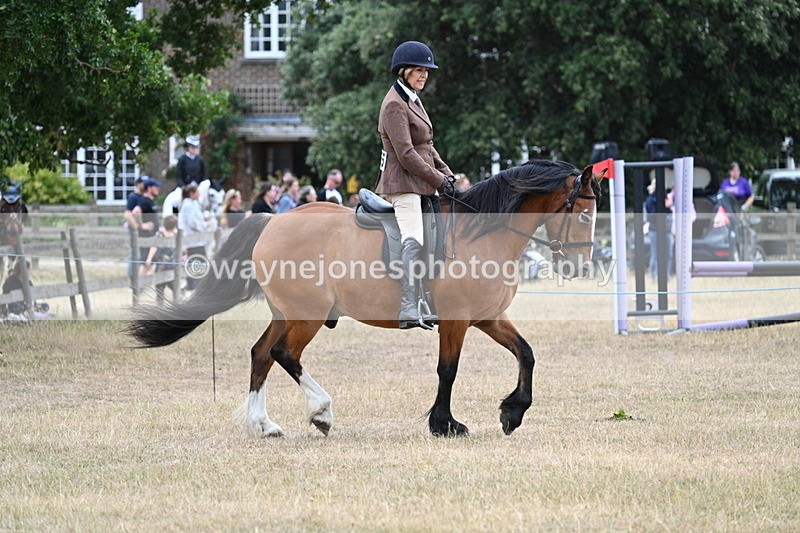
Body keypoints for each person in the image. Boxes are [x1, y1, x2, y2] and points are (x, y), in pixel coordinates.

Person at [376, 40, 456, 329]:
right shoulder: (394, 105)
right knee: (415, 238)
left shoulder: (412, 99)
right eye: (419, 70)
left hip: (421, 184)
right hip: (402, 185)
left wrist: (448, 176)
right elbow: (407, 154)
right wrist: (438, 180)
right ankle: (408, 306)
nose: (424, 75)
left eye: (426, 70)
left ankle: (431, 298)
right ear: (403, 71)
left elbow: (427, 146)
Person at [178, 184, 208, 290]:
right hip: (194, 241)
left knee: (198, 263)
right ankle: (195, 287)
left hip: (197, 240)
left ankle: (196, 286)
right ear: (192, 193)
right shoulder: (188, 206)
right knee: (198, 263)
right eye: (197, 192)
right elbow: (192, 223)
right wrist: (204, 226)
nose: (199, 194)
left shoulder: (192, 204)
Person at [644, 178, 674, 279]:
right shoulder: (650, 199)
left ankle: (666, 275)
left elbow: (670, 212)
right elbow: (651, 216)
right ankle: (654, 276)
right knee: (655, 254)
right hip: (654, 230)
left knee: (668, 254)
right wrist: (660, 205)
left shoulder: (666, 198)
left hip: (667, 230)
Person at [132, 178, 161, 269]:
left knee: (151, 263)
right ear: (149, 188)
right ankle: (139, 278)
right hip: (146, 235)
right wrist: (141, 225)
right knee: (145, 262)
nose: (158, 189)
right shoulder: (144, 200)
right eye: (155, 187)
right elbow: (136, 211)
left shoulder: (150, 201)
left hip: (152, 235)